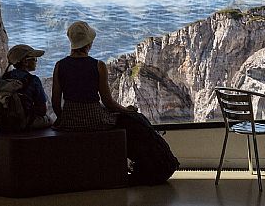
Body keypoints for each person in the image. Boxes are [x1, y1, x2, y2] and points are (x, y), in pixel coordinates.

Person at [52, 21, 179, 186]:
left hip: (69, 120)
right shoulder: (98, 66)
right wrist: (128, 111)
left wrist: (64, 119)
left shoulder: (59, 66)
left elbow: (55, 102)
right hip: (95, 119)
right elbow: (108, 102)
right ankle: (156, 165)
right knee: (137, 121)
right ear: (89, 43)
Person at [4, 44, 51, 129]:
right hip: (24, 123)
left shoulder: (5, 77)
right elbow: (42, 110)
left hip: (5, 122)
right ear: (25, 62)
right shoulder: (33, 80)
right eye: (34, 59)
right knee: (50, 120)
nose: (36, 61)